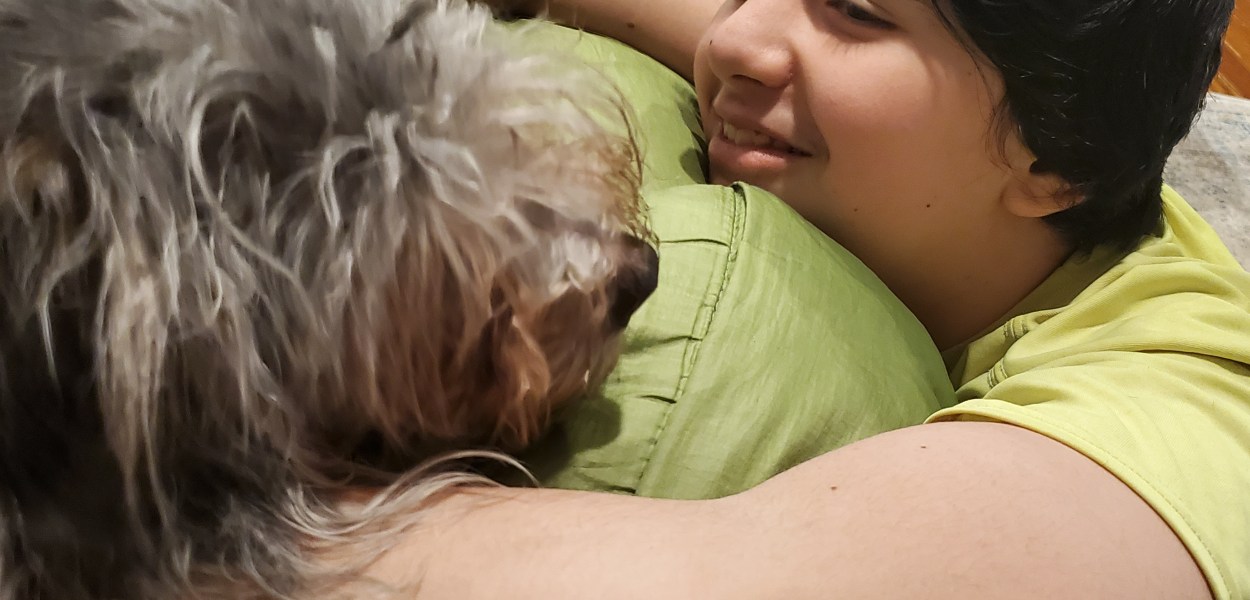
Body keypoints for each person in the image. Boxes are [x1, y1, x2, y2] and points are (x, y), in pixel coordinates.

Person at [351, 0, 1250, 597]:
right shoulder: (901, 111)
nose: (731, 41)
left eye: (855, 12)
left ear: (1055, 162)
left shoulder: (1178, 415)